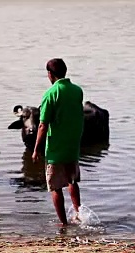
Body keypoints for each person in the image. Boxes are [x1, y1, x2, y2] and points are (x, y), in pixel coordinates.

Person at [32, 58, 84, 227]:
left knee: (55, 187)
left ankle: (63, 224)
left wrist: (36, 149)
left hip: (56, 148)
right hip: (73, 145)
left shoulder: (50, 94)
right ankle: (79, 214)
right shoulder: (77, 91)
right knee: (72, 181)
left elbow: (42, 125)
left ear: (50, 74)